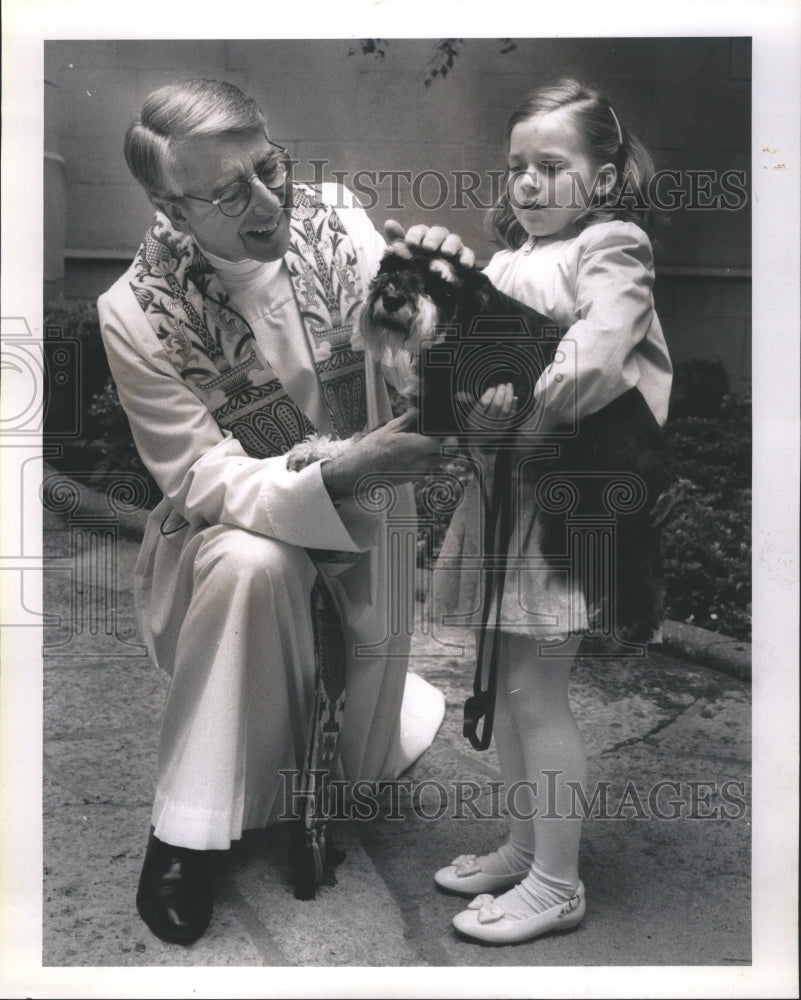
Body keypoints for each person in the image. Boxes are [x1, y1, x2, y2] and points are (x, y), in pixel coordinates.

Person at [97, 78, 472, 945]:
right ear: (167, 203)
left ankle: (290, 773)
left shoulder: (333, 218)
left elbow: (413, 347)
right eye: (229, 192)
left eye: (270, 168)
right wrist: (339, 471)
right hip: (227, 536)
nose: (269, 204)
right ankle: (183, 833)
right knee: (251, 561)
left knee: (336, 744)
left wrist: (444, 297)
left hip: (371, 526)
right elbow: (198, 476)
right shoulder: (135, 312)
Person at [431, 78, 673, 944]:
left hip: (564, 500)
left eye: (550, 165)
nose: (527, 184)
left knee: (538, 693)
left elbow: (596, 352)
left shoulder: (612, 246)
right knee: (499, 678)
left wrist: (516, 402)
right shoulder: (503, 263)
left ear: (602, 179)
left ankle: (557, 883)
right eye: (516, 168)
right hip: (502, 493)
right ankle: (524, 846)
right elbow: (464, 355)